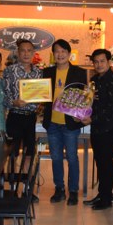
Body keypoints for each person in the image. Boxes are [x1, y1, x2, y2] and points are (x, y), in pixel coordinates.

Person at [42, 39, 87, 205]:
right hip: (52, 122)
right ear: (53, 54)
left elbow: (84, 97)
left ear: (69, 54)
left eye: (63, 51)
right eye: (57, 51)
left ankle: (73, 191)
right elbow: (43, 96)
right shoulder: (47, 72)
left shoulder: (79, 72)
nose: (60, 54)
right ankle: (59, 189)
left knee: (72, 157)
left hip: (70, 124)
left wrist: (80, 113)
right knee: (56, 158)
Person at [81, 49, 113, 210]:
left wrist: (92, 118)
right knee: (99, 161)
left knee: (106, 163)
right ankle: (101, 194)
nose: (99, 64)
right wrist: (81, 113)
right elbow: (90, 102)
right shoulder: (94, 80)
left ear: (109, 62)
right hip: (96, 128)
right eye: (96, 62)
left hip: (108, 129)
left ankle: (106, 199)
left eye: (102, 61)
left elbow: (112, 107)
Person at [2, 39, 43, 174]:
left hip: (31, 118)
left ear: (33, 53)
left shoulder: (38, 73)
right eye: (23, 51)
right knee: (12, 153)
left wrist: (41, 101)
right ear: (18, 53)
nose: (26, 54)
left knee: (29, 152)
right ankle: (11, 183)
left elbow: (42, 94)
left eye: (29, 51)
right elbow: (4, 96)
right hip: (15, 117)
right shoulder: (9, 71)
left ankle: (26, 183)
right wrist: (14, 102)